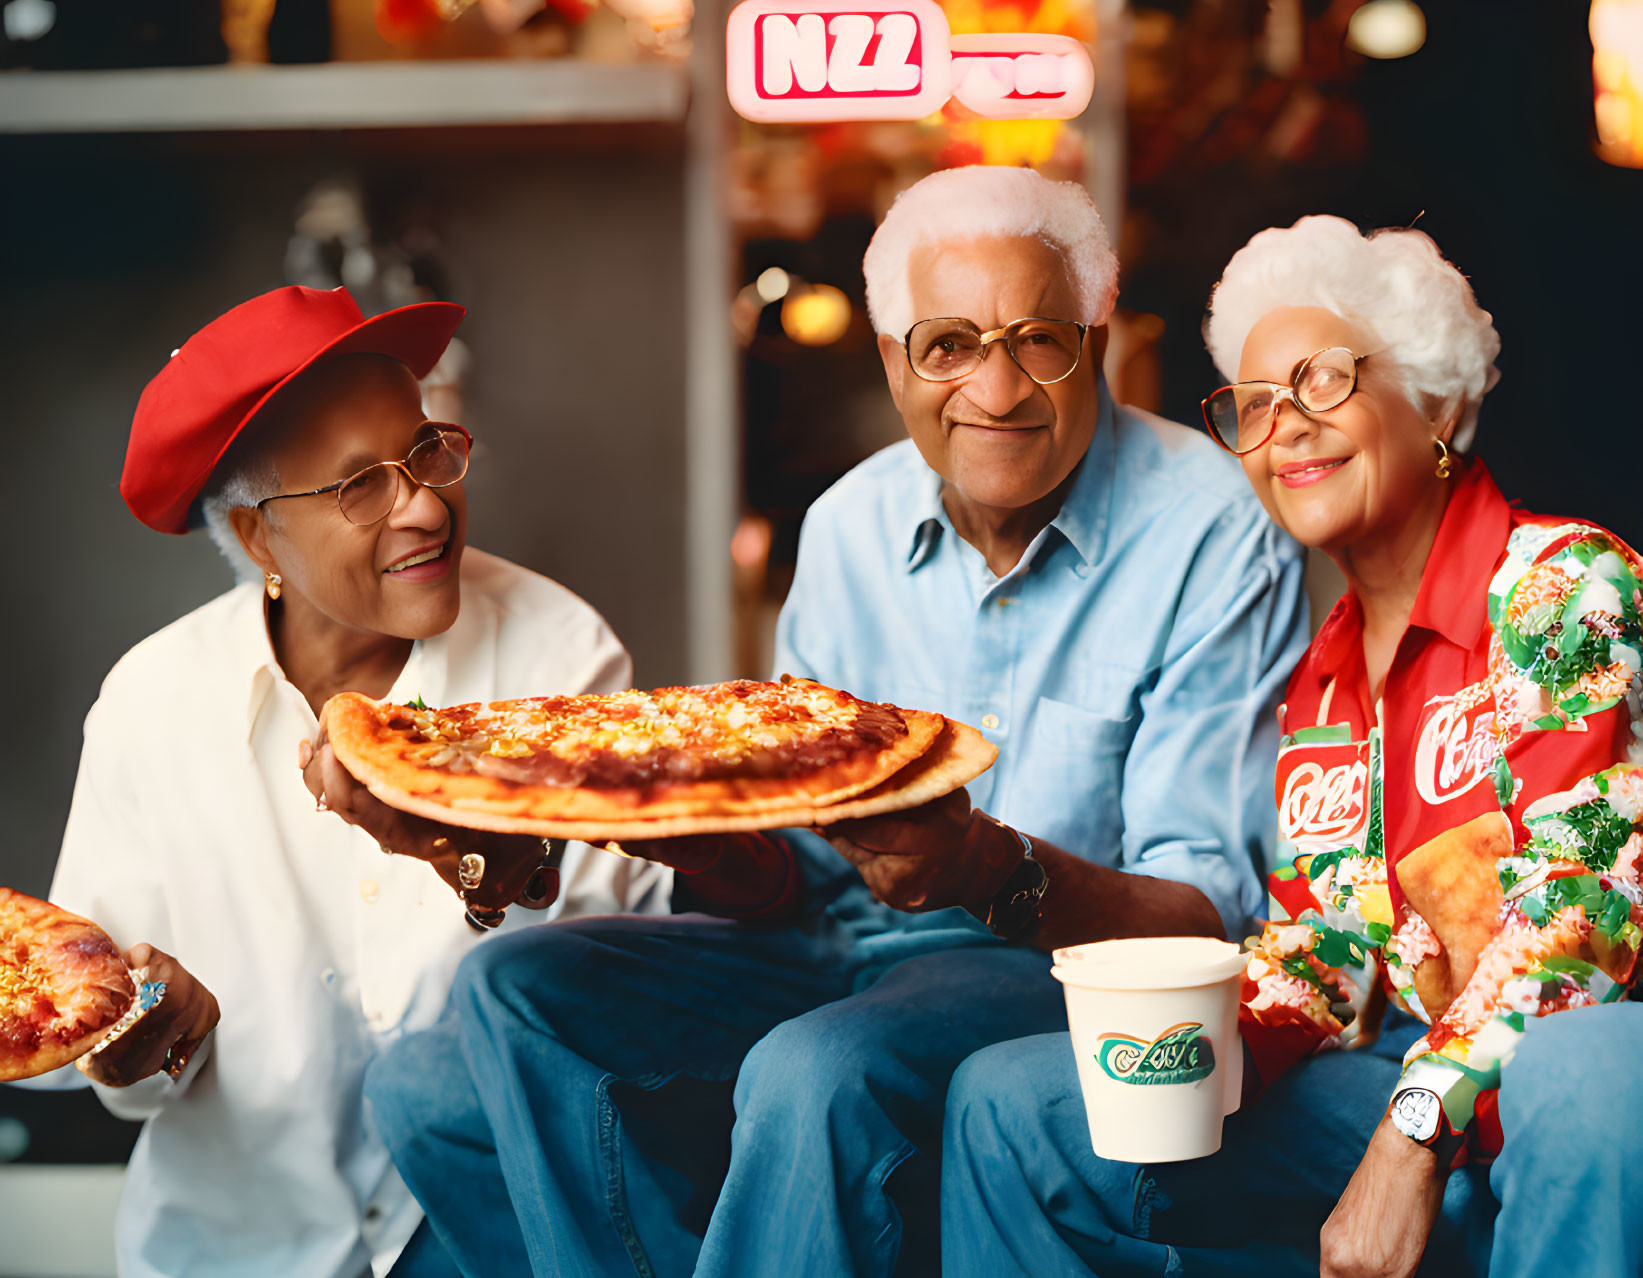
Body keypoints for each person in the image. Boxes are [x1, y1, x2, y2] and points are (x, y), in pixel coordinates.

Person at [341, 165, 1309, 1278]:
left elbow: (1205, 919)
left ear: (1097, 342)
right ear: (893, 365)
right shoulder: (847, 524)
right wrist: (704, 849)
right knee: (500, 994)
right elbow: (794, 881)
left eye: (1038, 339)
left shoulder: (1211, 531)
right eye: (946, 344)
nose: (993, 389)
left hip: (1040, 966)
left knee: (818, 1066)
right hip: (829, 945)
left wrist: (985, 868)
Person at [941, 215, 1643, 1278]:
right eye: (1255, 408)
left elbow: (1586, 910)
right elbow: (1328, 954)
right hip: (1405, 1076)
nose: (1284, 432)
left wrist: (1410, 1133)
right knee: (1011, 1098)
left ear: (1430, 398)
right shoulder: (1316, 679)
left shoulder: (1558, 585)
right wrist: (1187, 1043)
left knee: (1583, 1073)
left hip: (1570, 1081)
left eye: (1319, 384)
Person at [16, 285, 673, 1278]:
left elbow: (618, 1005)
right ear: (257, 541)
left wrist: (488, 862)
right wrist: (139, 1039)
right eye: (359, 485)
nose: (422, 506)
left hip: (496, 1237)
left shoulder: (557, 653)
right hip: (237, 1252)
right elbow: (87, 1023)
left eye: (424, 453)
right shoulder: (150, 703)